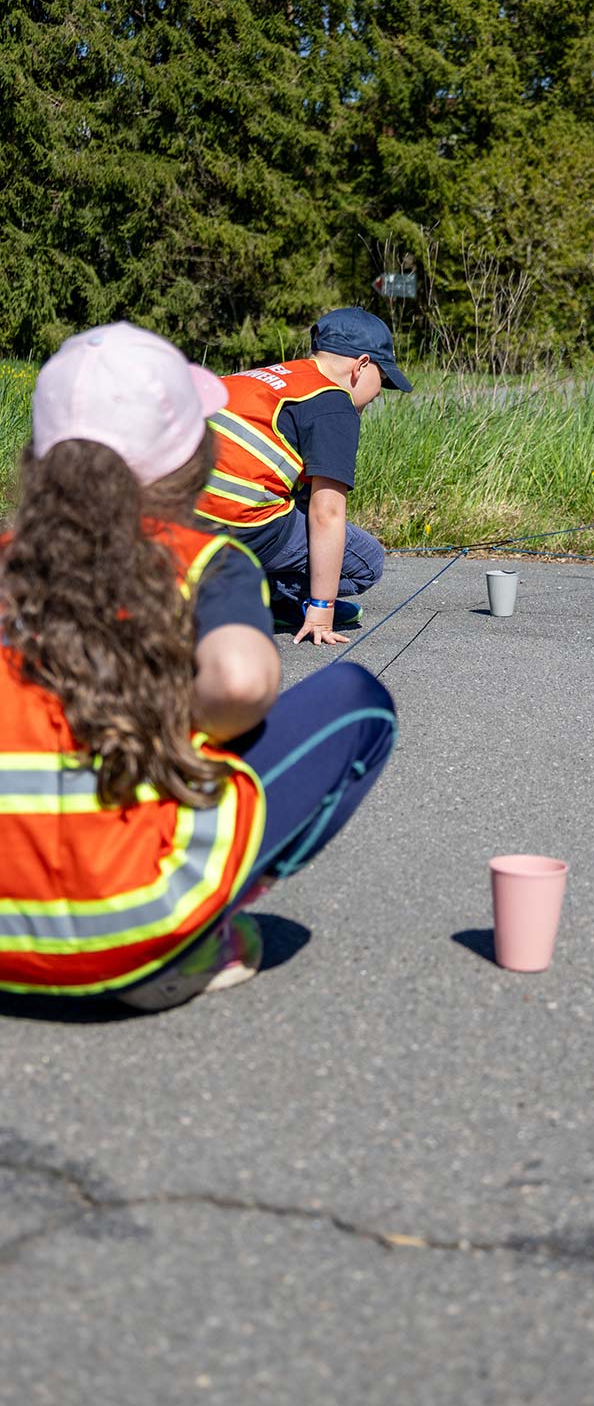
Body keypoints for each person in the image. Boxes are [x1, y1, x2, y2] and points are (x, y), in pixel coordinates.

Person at [0, 322, 396, 1012]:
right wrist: (147, 712)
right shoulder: (202, 559)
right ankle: (197, 934)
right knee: (361, 702)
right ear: (190, 453)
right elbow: (241, 683)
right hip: (134, 920)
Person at [196, 307, 413, 647]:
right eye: (382, 381)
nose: (379, 393)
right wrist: (322, 610)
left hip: (182, 517)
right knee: (367, 562)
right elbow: (326, 514)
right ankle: (268, 596)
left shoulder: (263, 377)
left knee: (297, 499)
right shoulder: (334, 403)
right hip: (241, 524)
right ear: (361, 365)